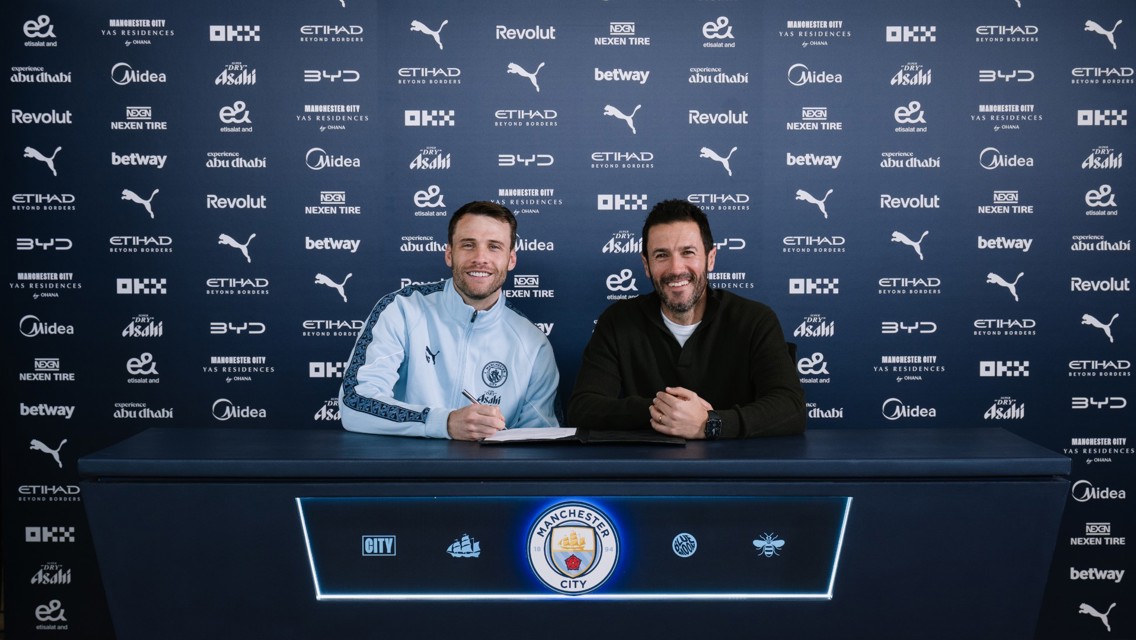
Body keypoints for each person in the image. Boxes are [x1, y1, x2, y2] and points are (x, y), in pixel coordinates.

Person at [568, 199, 805, 439]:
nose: (676, 268)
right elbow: (582, 408)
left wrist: (710, 424)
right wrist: (667, 412)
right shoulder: (617, 321)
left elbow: (791, 408)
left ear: (710, 258)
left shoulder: (754, 320)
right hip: (648, 463)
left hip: (735, 462)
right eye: (661, 255)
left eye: (688, 252)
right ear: (646, 265)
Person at [340, 201, 560, 439]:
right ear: (449, 254)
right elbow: (355, 404)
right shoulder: (402, 309)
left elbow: (539, 438)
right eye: (468, 245)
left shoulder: (533, 344)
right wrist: (444, 422)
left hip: (491, 465)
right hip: (405, 462)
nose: (480, 258)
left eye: (494, 247)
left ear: (511, 259)